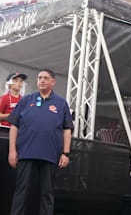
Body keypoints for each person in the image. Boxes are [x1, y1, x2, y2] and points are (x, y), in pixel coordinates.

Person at [7, 69, 73, 215]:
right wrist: (12, 151)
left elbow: (67, 129)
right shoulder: (26, 100)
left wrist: (66, 153)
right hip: (26, 153)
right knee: (21, 192)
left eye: (46, 78)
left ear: (53, 82)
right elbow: (14, 125)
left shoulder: (61, 103)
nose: (42, 80)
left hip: (50, 155)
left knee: (46, 194)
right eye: (39, 78)